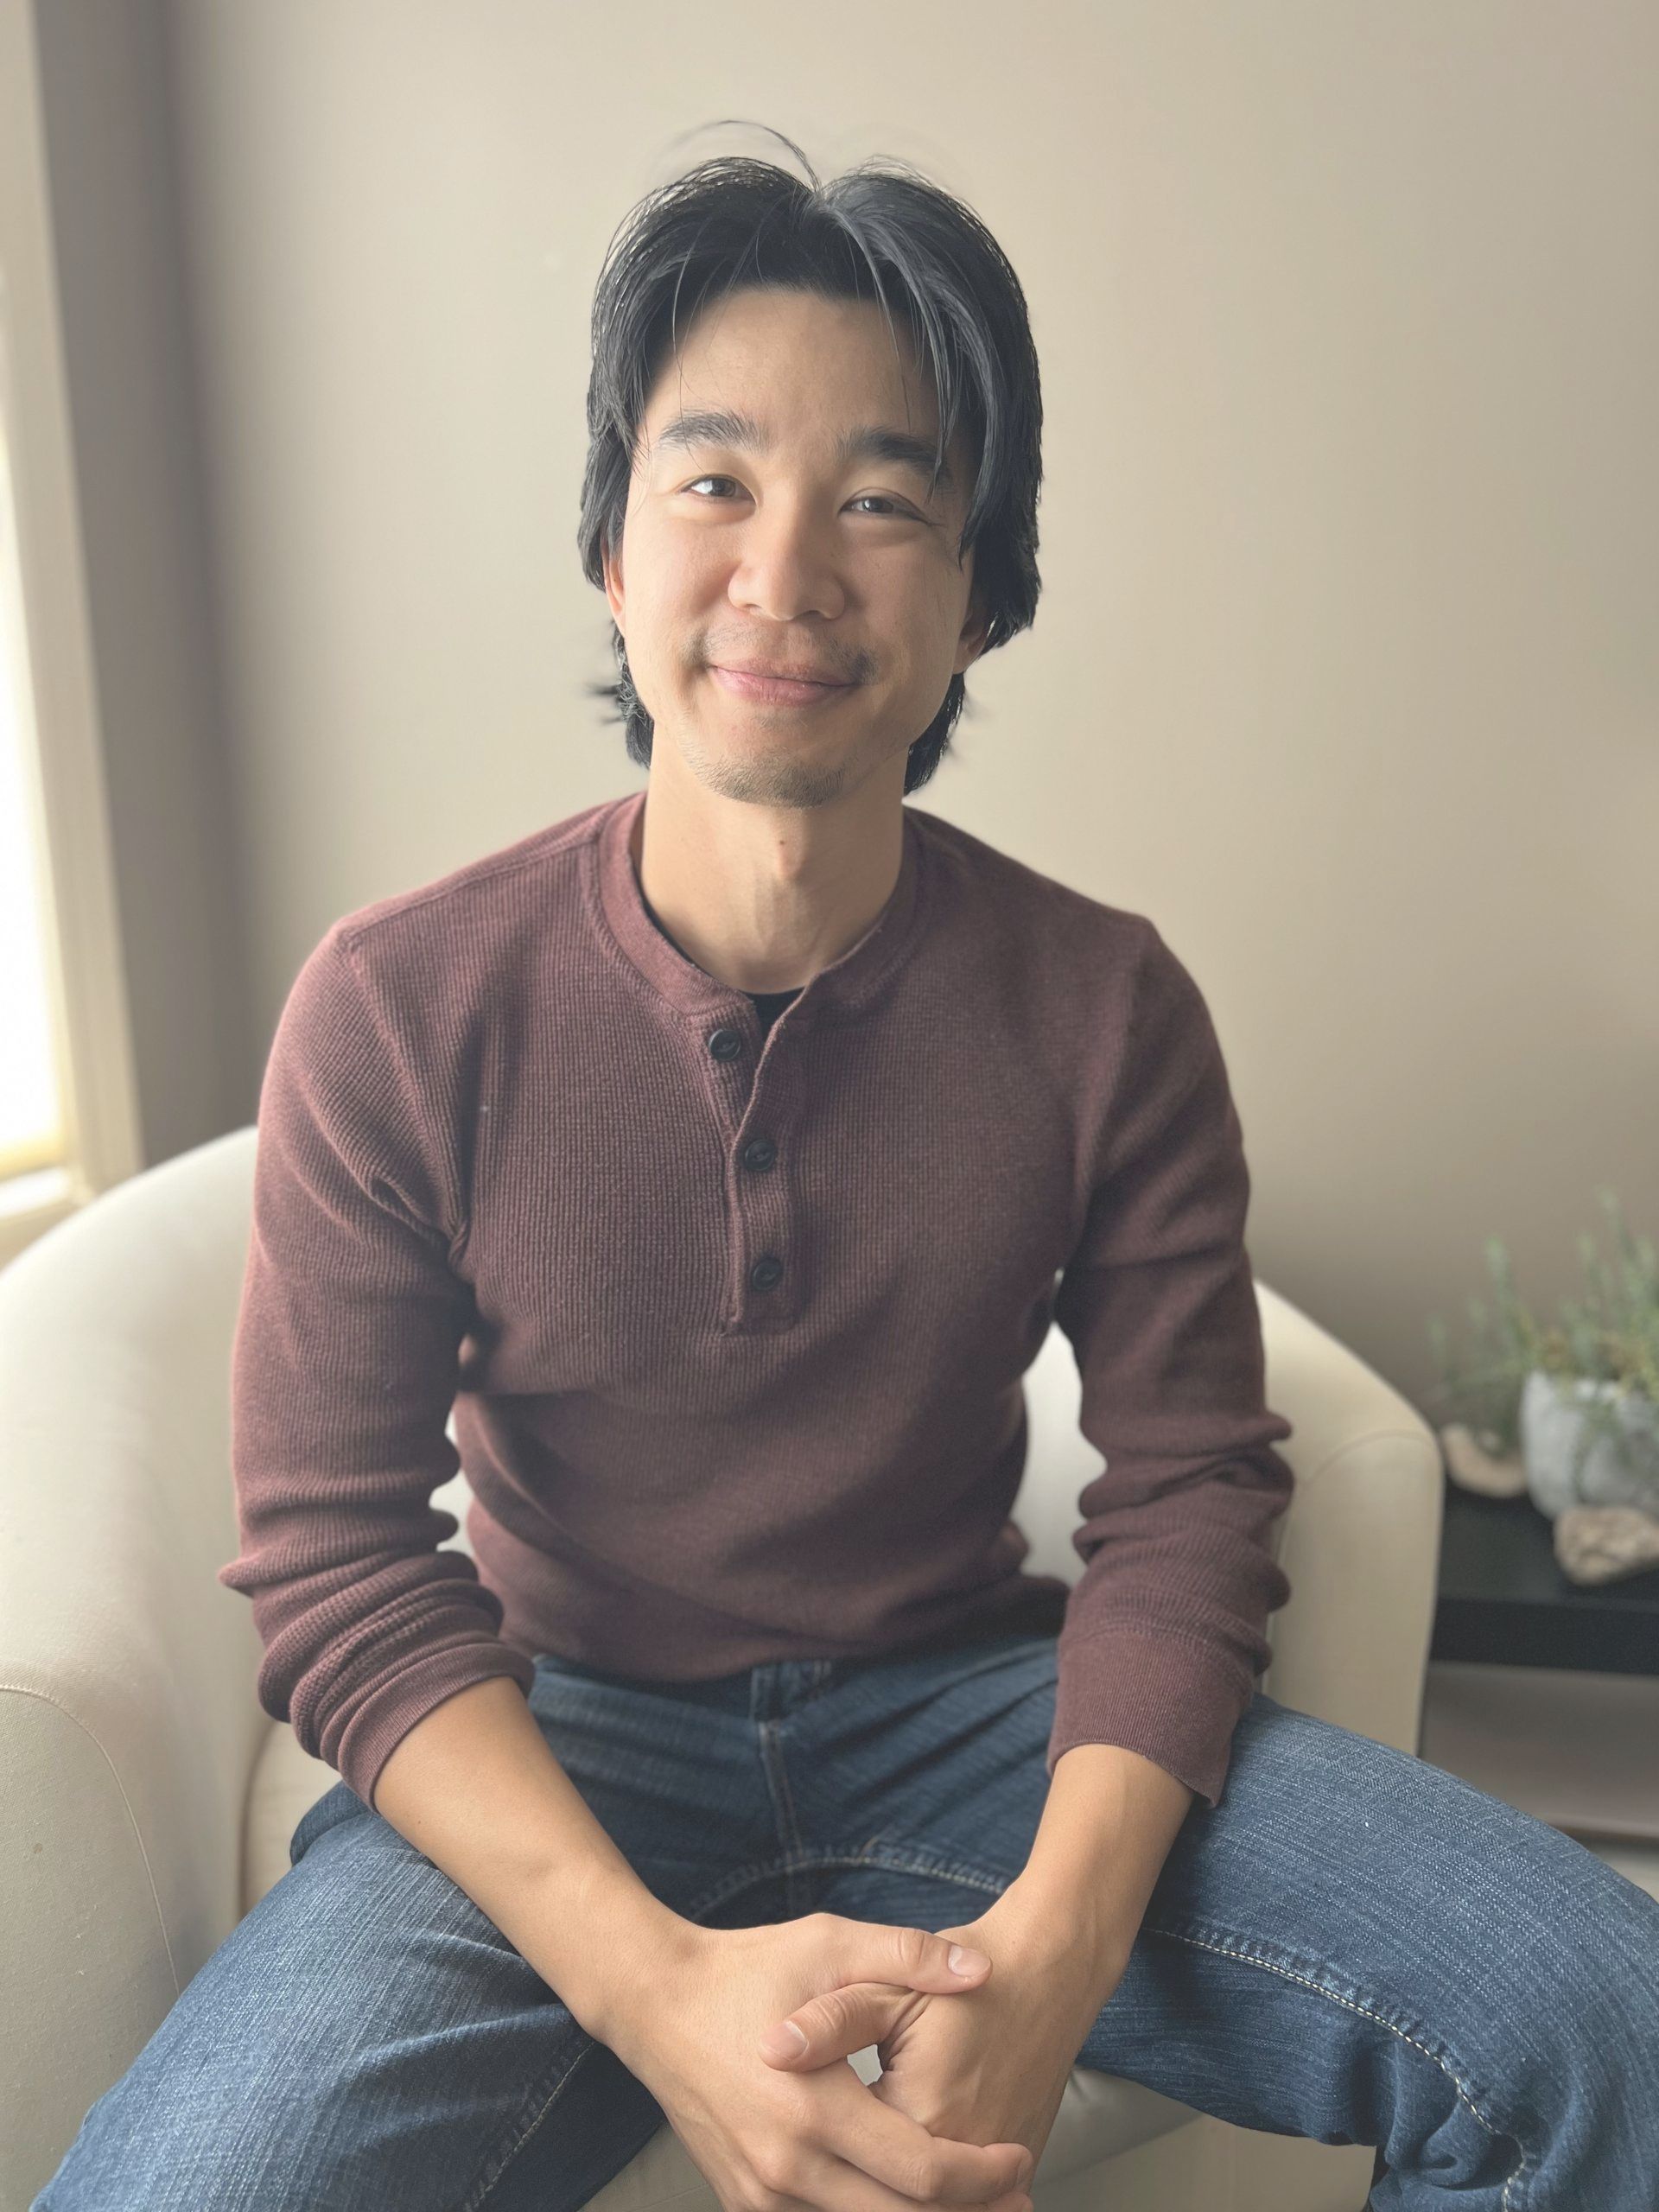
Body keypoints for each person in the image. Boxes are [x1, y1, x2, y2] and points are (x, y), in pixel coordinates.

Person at [35, 126, 1659, 2212]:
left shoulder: (1108, 1005)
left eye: (883, 499)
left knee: (1602, 2019)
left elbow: (1188, 1489)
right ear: (611, 547)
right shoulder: (399, 1003)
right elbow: (340, 1563)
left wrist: (1057, 1944)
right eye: (712, 481)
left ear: (987, 587)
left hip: (969, 1717)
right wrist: (655, 1996)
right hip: (566, 1747)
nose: (783, 573)